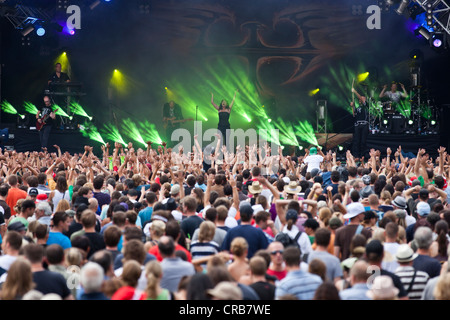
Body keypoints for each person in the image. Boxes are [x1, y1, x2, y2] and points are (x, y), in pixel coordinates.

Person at [350, 87, 369, 158]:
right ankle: (356, 155)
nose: (361, 99)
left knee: (363, 141)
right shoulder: (358, 107)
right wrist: (352, 106)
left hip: (364, 124)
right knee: (356, 141)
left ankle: (362, 155)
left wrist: (355, 91)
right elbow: (354, 114)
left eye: (362, 98)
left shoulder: (366, 106)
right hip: (358, 124)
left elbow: (361, 98)